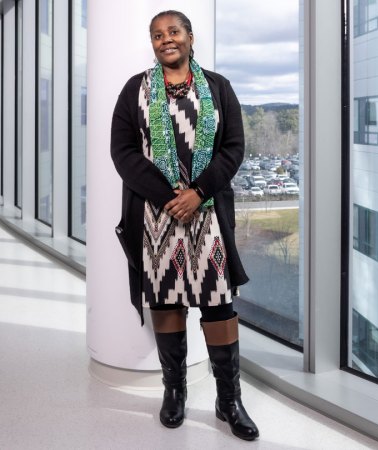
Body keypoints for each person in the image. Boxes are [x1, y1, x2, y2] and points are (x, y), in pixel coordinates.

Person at [110, 10, 259, 441]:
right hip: (155, 219)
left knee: (218, 306)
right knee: (166, 303)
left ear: (190, 38)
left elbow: (233, 149)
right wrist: (168, 197)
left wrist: (198, 193)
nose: (165, 40)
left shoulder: (218, 87)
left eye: (173, 32)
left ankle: (228, 400)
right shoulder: (134, 90)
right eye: (157, 35)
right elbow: (123, 153)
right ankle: (173, 391)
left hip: (208, 215)